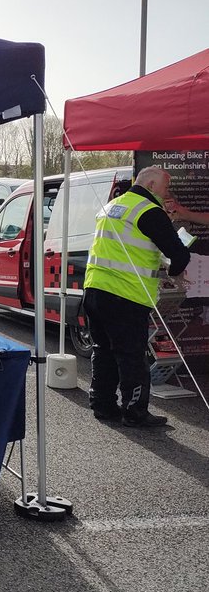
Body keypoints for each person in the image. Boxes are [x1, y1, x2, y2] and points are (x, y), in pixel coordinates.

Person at [83, 165, 191, 429]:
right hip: (126, 294)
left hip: (94, 288)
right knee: (131, 356)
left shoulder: (112, 205)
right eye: (165, 187)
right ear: (151, 185)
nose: (167, 192)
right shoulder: (149, 211)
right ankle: (135, 412)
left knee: (103, 349)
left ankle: (102, 405)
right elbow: (179, 255)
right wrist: (175, 273)